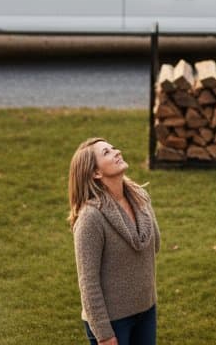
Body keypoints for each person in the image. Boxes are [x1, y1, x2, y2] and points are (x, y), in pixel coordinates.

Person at [68, 138, 161, 345]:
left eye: (113, 148)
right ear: (96, 173)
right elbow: (88, 281)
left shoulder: (139, 197)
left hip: (146, 309)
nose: (116, 152)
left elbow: (154, 246)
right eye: (106, 153)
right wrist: (103, 333)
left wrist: (143, 205)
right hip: (112, 321)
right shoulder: (91, 218)